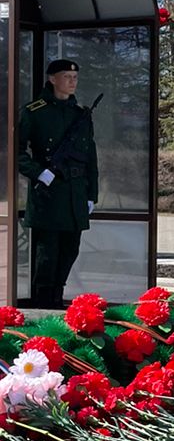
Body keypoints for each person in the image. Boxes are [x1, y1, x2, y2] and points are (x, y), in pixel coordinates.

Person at [17, 58, 99, 309]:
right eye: (66, 77)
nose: (72, 81)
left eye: (75, 78)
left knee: (70, 248)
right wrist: (39, 173)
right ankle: (43, 302)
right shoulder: (34, 111)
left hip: (75, 192)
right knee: (47, 253)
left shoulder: (81, 114)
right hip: (49, 194)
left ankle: (57, 296)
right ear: (52, 79)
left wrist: (91, 195)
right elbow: (16, 152)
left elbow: (90, 157)